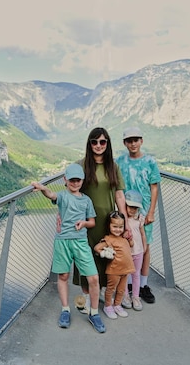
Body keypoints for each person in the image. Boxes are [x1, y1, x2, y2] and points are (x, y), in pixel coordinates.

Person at [31, 163, 106, 333]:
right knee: (63, 275)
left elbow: (92, 222)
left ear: (82, 180)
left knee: (93, 278)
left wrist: (84, 223)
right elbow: (51, 194)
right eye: (71, 180)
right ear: (65, 180)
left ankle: (94, 313)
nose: (75, 183)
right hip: (62, 241)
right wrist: (42, 188)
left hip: (80, 242)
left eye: (78, 180)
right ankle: (65, 310)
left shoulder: (86, 200)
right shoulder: (63, 197)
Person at [72, 127, 129, 315]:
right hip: (86, 222)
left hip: (108, 222)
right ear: (89, 144)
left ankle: (104, 295)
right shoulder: (81, 166)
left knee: (107, 260)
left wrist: (125, 223)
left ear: (107, 144)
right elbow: (71, 193)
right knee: (85, 258)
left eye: (102, 142)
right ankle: (87, 298)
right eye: (94, 142)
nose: (98, 146)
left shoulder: (113, 166)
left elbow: (119, 196)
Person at [116, 126, 161, 304]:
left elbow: (154, 187)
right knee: (126, 246)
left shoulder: (150, 162)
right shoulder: (119, 161)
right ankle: (128, 284)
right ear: (125, 143)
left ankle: (142, 285)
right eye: (129, 140)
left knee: (144, 247)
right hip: (125, 213)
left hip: (143, 213)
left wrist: (151, 211)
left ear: (141, 141)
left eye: (136, 140)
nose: (133, 143)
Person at [93, 211, 135, 319]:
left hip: (125, 270)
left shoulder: (123, 238)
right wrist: (104, 253)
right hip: (114, 270)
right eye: (115, 226)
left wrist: (130, 238)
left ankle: (117, 305)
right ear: (109, 226)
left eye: (121, 227)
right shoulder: (108, 239)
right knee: (111, 289)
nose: (118, 229)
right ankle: (107, 306)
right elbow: (97, 248)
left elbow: (131, 245)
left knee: (121, 290)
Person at [122, 190, 148, 311]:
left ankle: (136, 297)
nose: (132, 210)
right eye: (130, 207)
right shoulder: (122, 219)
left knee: (136, 274)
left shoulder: (139, 219)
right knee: (125, 274)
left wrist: (144, 247)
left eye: (135, 208)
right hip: (126, 252)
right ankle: (125, 295)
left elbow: (142, 234)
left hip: (138, 251)